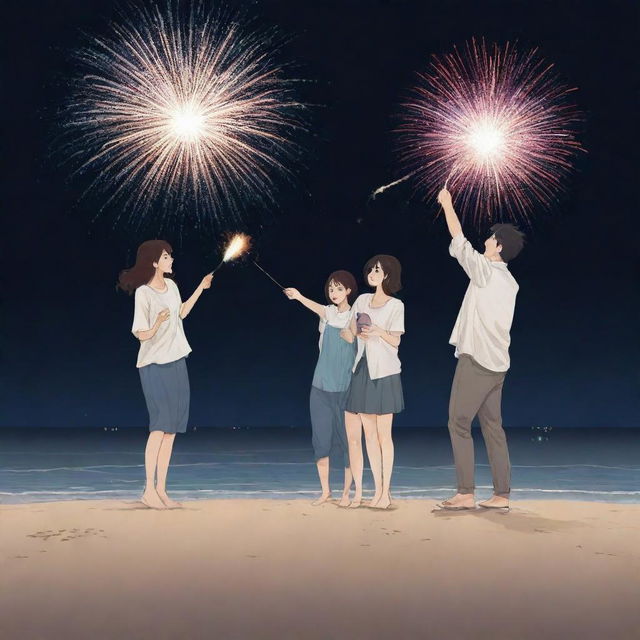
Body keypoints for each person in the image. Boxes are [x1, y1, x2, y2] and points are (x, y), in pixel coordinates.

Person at [437, 188, 525, 511]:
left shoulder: (487, 272)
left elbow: (459, 242)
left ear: (498, 246)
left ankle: (465, 493)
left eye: (489, 239)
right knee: (492, 427)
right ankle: (501, 495)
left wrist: (447, 204)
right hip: (499, 365)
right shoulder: (511, 283)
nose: (485, 242)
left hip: (476, 361)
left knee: (458, 423)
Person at [118, 240, 213, 509]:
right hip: (153, 365)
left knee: (171, 431)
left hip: (177, 361)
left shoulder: (172, 286)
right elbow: (141, 335)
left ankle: (161, 490)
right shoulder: (144, 294)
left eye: (170, 255)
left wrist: (200, 289)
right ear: (154, 262)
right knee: (159, 427)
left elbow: (181, 312)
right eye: (166, 256)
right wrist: (157, 323)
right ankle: (148, 490)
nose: (171, 259)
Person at [284, 271, 358, 506]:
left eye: (338, 288)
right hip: (320, 387)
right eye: (331, 289)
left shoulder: (356, 316)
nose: (334, 293)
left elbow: (360, 339)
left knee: (349, 443)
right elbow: (317, 308)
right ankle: (326, 491)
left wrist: (354, 334)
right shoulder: (326, 315)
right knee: (321, 441)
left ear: (348, 290)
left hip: (347, 388)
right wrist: (298, 296)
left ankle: (346, 492)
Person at [341, 255, 405, 509]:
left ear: (388, 275)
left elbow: (396, 341)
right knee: (369, 435)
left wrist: (378, 331)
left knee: (383, 435)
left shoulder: (396, 305)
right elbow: (348, 333)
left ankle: (385, 493)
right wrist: (353, 332)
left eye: (377, 270)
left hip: (386, 372)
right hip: (363, 368)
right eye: (370, 269)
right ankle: (377, 491)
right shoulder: (361, 300)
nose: (372, 273)